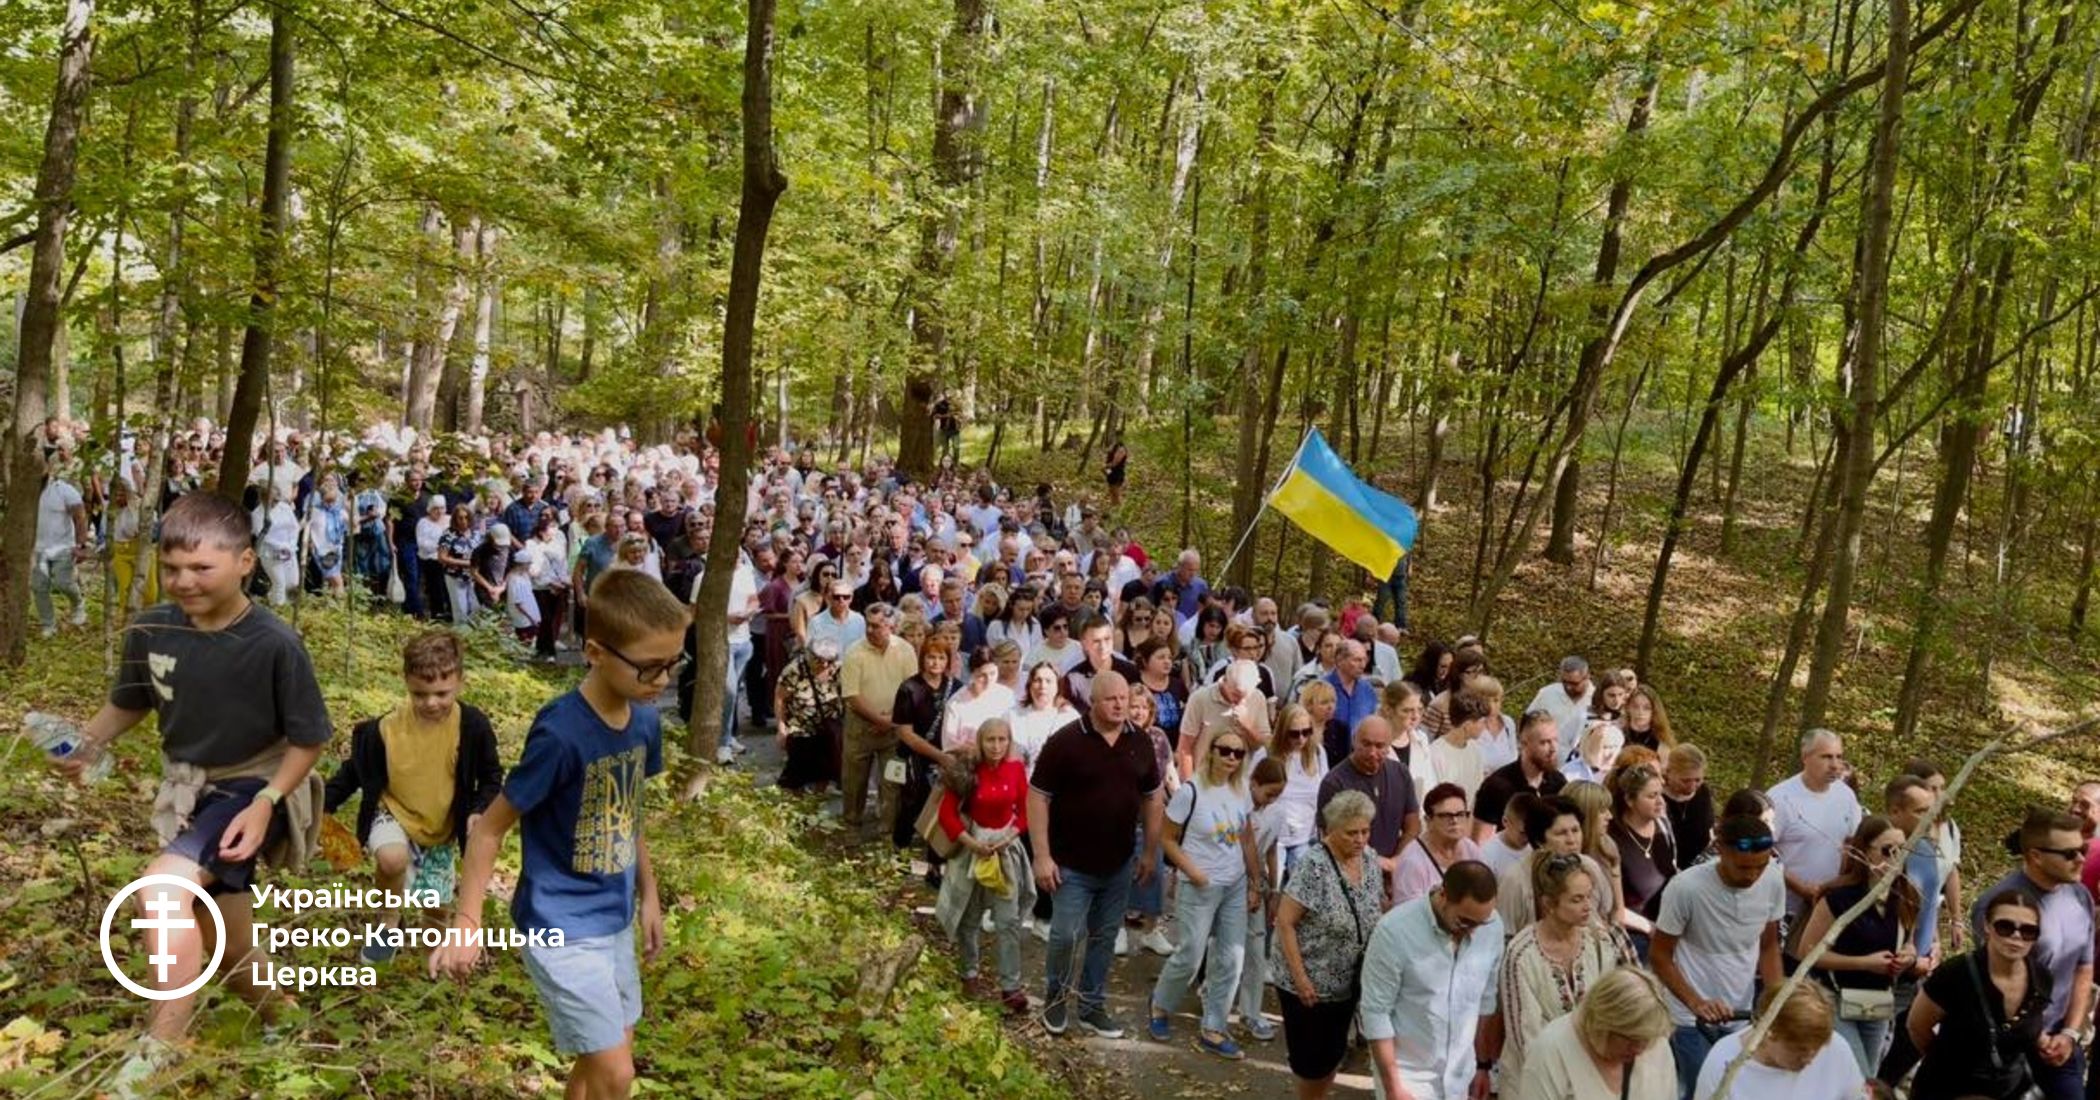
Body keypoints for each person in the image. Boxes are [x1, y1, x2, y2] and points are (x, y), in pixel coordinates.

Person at [54, 492, 332, 1086]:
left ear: (245, 562)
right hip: (189, 790)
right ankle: (282, 1017)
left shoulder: (275, 643)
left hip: (256, 787)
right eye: (173, 567)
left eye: (202, 568)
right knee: (226, 942)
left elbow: (309, 740)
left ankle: (159, 1049)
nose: (184, 581)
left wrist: (266, 805)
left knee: (161, 889)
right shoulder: (152, 626)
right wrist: (89, 744)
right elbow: (130, 702)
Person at [431, 569, 687, 1100]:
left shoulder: (643, 722)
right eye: (650, 667)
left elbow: (629, 810)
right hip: (560, 926)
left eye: (672, 663)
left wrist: (650, 893)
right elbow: (488, 831)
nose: (662, 680)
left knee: (602, 1061)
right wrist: (467, 922)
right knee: (617, 1075)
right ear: (594, 651)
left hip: (613, 921)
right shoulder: (561, 733)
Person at [324, 630, 504, 962]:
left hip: (441, 827)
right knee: (392, 859)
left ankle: (433, 961)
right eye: (420, 694)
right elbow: (354, 772)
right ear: (406, 682)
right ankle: (387, 925)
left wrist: (479, 808)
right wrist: (323, 805)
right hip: (393, 812)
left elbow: (492, 777)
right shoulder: (384, 730)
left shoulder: (473, 726)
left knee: (435, 908)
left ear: (460, 681)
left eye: (441, 693)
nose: (431, 702)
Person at [1028, 672, 1164, 1038]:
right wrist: (1042, 856)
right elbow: (1038, 795)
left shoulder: (1140, 742)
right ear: (1094, 702)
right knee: (1065, 936)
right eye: (1111, 699)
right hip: (1070, 863)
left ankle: (1091, 1006)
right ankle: (1055, 1001)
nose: (1120, 705)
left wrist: (1150, 851)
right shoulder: (1066, 741)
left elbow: (1153, 796)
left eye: (1124, 698)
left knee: (1104, 937)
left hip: (1118, 862)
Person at [1147, 724, 1261, 1059]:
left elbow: (1247, 838)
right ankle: (1159, 1005)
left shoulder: (1241, 790)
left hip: (1234, 884)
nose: (1230, 757)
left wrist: (1256, 880)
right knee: (1190, 954)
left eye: (1238, 753)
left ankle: (1214, 1026)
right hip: (1200, 884)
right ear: (1210, 752)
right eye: (1224, 750)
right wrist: (1192, 871)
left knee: (1232, 958)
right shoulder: (1191, 791)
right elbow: (1167, 838)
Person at [1652, 814, 1786, 1096]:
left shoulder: (1773, 878)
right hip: (1690, 1019)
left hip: (1742, 1011)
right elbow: (1660, 956)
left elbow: (1769, 946)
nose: (1752, 875)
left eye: (1760, 867)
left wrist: (1776, 1000)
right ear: (1720, 849)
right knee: (1704, 1090)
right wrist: (1695, 1003)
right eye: (1742, 867)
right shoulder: (1685, 888)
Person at [1967, 807, 2094, 1100]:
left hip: (2061, 1039)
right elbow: (1996, 983)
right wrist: (2039, 1038)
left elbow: (2083, 969)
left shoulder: (2079, 896)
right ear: (2036, 856)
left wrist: (2071, 1034)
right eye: (2069, 853)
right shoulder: (1999, 907)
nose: (2081, 859)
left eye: (2083, 849)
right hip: (2008, 1043)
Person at [1358, 861, 1506, 1100]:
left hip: (1462, 1071)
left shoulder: (1493, 926)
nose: (1474, 931)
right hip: (1408, 1074)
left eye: (1482, 922)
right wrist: (1393, 1087)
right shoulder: (1393, 931)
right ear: (1443, 895)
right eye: (1465, 922)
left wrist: (1482, 1066)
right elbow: (1375, 1013)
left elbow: (1486, 1001)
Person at [1272, 791, 1383, 1099]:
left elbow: (1376, 905)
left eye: (1365, 831)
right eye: (1352, 833)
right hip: (1309, 983)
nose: (1360, 839)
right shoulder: (1314, 866)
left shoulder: (1370, 859)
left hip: (1348, 979)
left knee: (1333, 1051)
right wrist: (1301, 979)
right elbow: (1285, 921)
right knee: (1312, 1060)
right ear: (1332, 829)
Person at [1497, 854, 1639, 1087]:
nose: (1587, 906)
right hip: (1537, 1080)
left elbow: (1615, 1007)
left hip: (1593, 1074)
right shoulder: (1522, 954)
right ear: (1549, 904)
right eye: (1576, 900)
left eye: (1589, 897)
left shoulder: (1599, 940)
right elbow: (1525, 1037)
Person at [1905, 887, 2054, 1100]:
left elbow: (2025, 1028)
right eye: (2005, 927)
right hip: (1947, 1089)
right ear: (1987, 926)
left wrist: (2048, 1041)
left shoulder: (2041, 978)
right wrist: (1946, 1065)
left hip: (2007, 1089)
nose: (2016, 937)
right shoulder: (1955, 974)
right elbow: (1917, 1027)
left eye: (2028, 931)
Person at [1797, 815, 1918, 1075]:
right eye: (1888, 850)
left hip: (1878, 1001)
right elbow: (1807, 951)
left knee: (1868, 1075)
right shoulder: (1839, 897)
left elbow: (1909, 943)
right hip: (1835, 998)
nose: (1895, 858)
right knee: (1856, 1075)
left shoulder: (1907, 895)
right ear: (1864, 851)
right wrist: (1863, 963)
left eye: (1903, 850)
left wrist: (1908, 957)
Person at [935, 717, 1034, 1016]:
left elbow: (1026, 812)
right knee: (969, 917)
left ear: (1010, 741)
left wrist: (1010, 836)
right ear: (981, 741)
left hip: (1004, 848)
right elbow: (947, 814)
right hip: (974, 847)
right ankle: (969, 973)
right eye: (990, 740)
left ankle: (1010, 986)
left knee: (1008, 920)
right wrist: (970, 842)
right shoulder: (967, 771)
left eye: (1002, 740)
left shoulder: (1016, 769)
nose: (996, 746)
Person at [1517, 967, 1677, 1100]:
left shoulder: (1655, 1040)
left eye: (1646, 1040)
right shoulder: (1550, 1052)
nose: (1640, 1049)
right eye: (1632, 1039)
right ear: (1603, 1024)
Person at [1691, 981, 1863, 1100]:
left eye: (1817, 1050)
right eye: (1801, 1051)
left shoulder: (1836, 1047)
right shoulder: (1722, 1063)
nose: (1810, 1060)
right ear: (1769, 1032)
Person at [1768, 728, 1863, 929]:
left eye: (1839, 757)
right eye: (1826, 757)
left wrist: (1840, 884)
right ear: (1805, 757)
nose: (1835, 765)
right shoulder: (1780, 798)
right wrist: (1801, 887)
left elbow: (1852, 843)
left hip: (1829, 907)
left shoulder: (1845, 796)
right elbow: (1763, 853)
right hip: (1784, 909)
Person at [839, 603, 918, 838]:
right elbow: (852, 695)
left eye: (876, 626)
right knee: (854, 781)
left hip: (894, 727)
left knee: (892, 781)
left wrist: (890, 720)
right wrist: (879, 720)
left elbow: (911, 689)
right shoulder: (854, 652)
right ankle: (852, 826)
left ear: (891, 626)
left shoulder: (905, 650)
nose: (870, 630)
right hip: (861, 727)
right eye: (868, 625)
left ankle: (887, 831)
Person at [1496, 794, 1618, 937]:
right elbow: (1506, 935)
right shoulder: (1515, 880)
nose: (1572, 840)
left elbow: (1605, 913)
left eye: (1575, 830)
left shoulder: (1589, 866)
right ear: (1539, 840)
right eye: (1561, 833)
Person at [1316, 715, 1422, 879]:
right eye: (1366, 744)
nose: (1372, 753)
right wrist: (1378, 862)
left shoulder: (1401, 773)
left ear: (1389, 746)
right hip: (1351, 874)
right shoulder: (1334, 783)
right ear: (1354, 741)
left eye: (1379, 746)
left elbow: (1413, 826)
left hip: (1394, 871)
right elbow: (1330, 837)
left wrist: (1396, 860)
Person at [888, 639, 958, 851]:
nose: (936, 663)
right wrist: (938, 756)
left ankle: (936, 854)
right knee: (912, 802)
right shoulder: (909, 688)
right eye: (931, 657)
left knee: (944, 805)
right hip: (916, 756)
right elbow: (905, 733)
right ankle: (900, 850)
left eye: (941, 658)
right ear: (922, 659)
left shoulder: (956, 687)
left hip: (948, 756)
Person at [1611, 763, 1676, 956]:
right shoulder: (1612, 839)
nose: (1660, 802)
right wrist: (1650, 928)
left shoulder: (1663, 826)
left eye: (1660, 794)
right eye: (1651, 796)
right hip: (1634, 935)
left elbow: (1672, 868)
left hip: (1667, 924)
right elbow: (1613, 906)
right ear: (1630, 800)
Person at [1474, 709, 1567, 845]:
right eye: (1544, 742)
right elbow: (1481, 843)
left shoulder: (1558, 782)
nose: (1553, 749)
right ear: (1524, 744)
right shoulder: (1497, 786)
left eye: (1555, 740)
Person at [1178, 659, 1272, 779]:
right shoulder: (1199, 699)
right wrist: (1188, 784)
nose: (1240, 701)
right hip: (1205, 779)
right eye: (1235, 695)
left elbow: (1263, 744)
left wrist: (1247, 726)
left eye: (1245, 696)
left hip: (1240, 781)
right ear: (1225, 681)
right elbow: (1185, 747)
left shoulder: (1258, 698)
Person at [1392, 782, 1482, 906]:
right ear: (1428, 821)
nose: (1455, 821)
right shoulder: (1412, 862)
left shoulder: (1471, 849)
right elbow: (1407, 914)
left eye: (1460, 814)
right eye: (1446, 815)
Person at [774, 639, 844, 796]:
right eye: (819, 660)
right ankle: (796, 801)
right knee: (797, 771)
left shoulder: (838, 668)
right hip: (800, 727)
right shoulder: (794, 670)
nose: (824, 665)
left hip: (828, 727)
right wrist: (781, 728)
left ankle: (817, 798)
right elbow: (780, 698)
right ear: (809, 655)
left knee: (826, 768)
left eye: (829, 661)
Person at [1268, 703, 1330, 873]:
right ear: (1283, 732)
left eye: (1306, 732)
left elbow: (1325, 793)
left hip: (1306, 837)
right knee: (1273, 892)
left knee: (1303, 894)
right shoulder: (1267, 755)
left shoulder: (1317, 753)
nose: (1301, 739)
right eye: (1294, 734)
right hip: (1274, 840)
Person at [1428, 680, 1496, 805]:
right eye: (1482, 722)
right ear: (1467, 725)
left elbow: (1477, 793)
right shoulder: (1435, 754)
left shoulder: (1475, 750)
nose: (1485, 727)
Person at [1009, 660, 1078, 776]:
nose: (1043, 686)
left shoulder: (1069, 717)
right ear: (1029, 685)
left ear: (1058, 686)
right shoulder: (1012, 715)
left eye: (1049, 681)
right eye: (1037, 680)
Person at [1661, 743, 1715, 871]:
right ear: (1669, 772)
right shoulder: (1657, 798)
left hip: (1699, 865)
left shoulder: (1703, 792)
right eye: (1685, 780)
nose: (1692, 787)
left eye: (1697, 780)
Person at [1524, 656, 1594, 747]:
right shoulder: (1547, 694)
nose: (1568, 687)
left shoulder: (1598, 698)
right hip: (1550, 756)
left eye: (1574, 683)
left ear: (1587, 677)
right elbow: (1528, 723)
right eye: (1564, 682)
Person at [1621, 685, 1676, 755]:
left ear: (1654, 710)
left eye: (1647, 708)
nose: (1640, 712)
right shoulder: (1617, 735)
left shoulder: (1661, 741)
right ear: (1628, 708)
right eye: (1635, 706)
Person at [1103, 433, 1128, 508]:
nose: (1116, 438)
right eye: (1115, 436)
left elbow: (1115, 463)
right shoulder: (1114, 446)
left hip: (1117, 472)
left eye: (1118, 437)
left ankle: (1119, 510)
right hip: (1110, 472)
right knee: (1111, 491)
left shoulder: (1121, 449)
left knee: (1116, 492)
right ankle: (1113, 509)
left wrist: (1105, 466)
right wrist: (1105, 469)